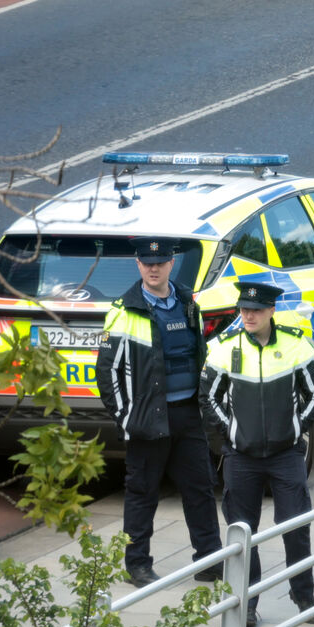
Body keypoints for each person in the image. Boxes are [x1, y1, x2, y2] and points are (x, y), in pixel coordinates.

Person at [200, 281, 314, 627]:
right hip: (241, 458)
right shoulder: (224, 349)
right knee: (243, 533)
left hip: (286, 456)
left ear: (271, 311)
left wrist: (293, 427)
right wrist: (233, 431)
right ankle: (247, 603)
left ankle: (304, 597)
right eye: (244, 310)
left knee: (296, 526)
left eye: (255, 311)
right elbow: (207, 398)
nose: (248, 316)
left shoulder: (295, 346)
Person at [96, 237, 223, 588]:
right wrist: (127, 418)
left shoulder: (186, 301)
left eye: (160, 262)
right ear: (138, 265)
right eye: (147, 263)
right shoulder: (123, 311)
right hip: (148, 418)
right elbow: (107, 375)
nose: (153, 268)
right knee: (142, 492)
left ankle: (210, 560)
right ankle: (137, 565)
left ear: (170, 264)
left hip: (187, 414)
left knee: (200, 487)